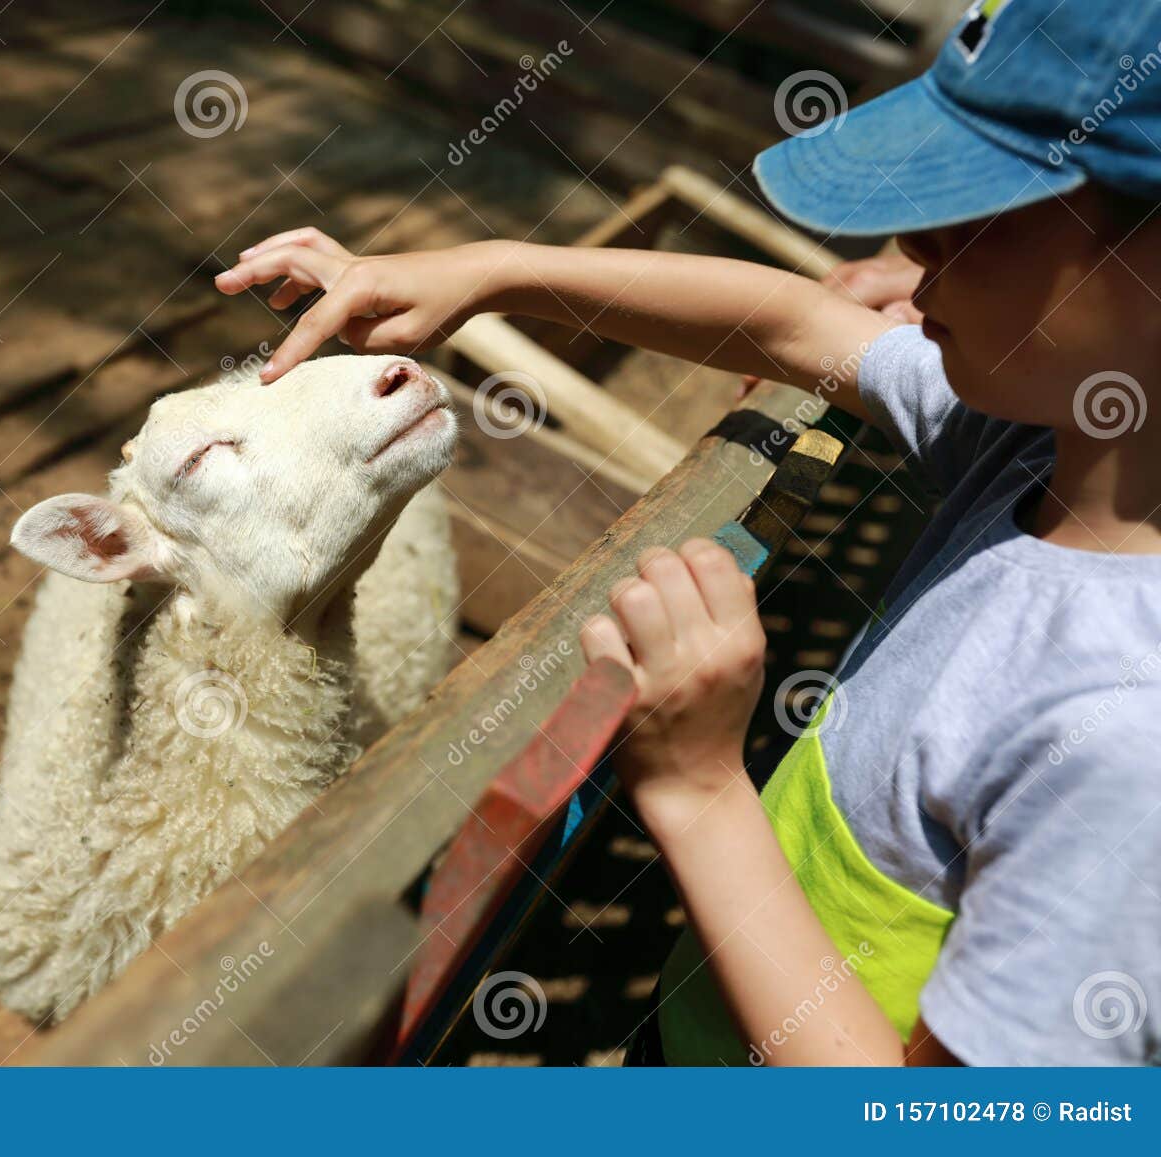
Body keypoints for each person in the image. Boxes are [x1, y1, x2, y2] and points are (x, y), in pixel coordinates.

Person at [216, 0, 1161, 1066]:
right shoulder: (1038, 449)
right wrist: (492, 273)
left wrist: (699, 785)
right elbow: (795, 325)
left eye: (983, 211)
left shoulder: (1126, 746)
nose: (912, 246)